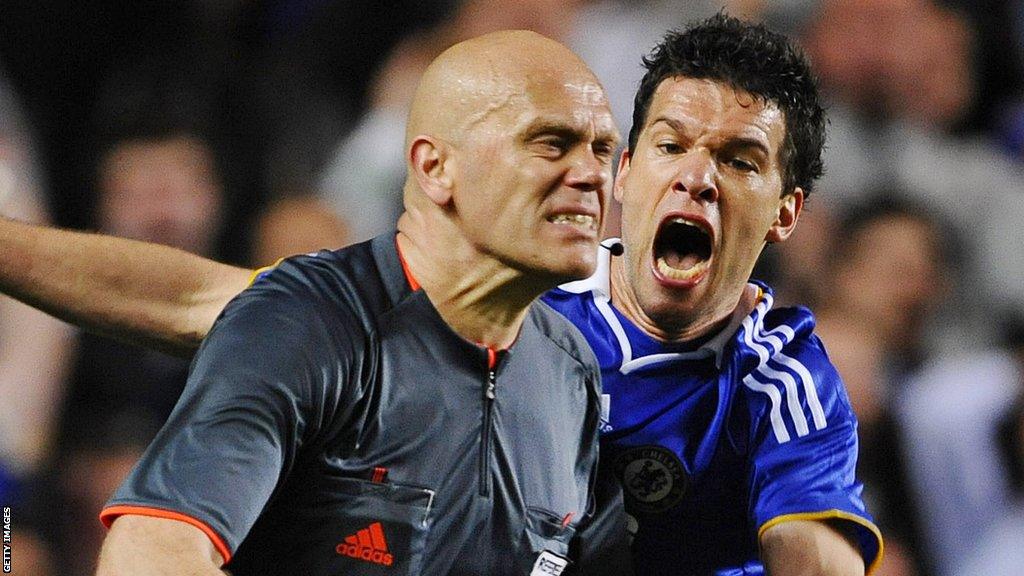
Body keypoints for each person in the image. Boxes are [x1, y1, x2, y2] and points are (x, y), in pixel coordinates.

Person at [0, 15, 880, 575]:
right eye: (670, 146)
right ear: (632, 169)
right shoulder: (502, 295)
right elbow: (227, 306)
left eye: (739, 161)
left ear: (785, 213)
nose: (697, 180)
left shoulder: (769, 382)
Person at [80, 30, 625, 576]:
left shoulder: (572, 371)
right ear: (436, 168)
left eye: (603, 150)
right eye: (552, 143)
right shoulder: (305, 322)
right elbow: (150, 553)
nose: (591, 174)